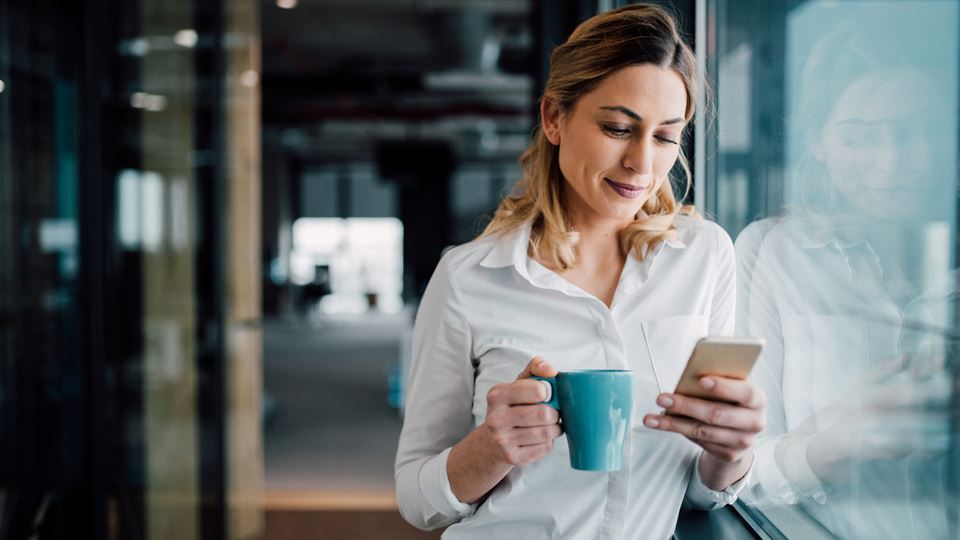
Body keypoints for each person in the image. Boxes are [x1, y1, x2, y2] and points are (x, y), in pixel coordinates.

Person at [395, 5, 766, 538]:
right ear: (553, 118)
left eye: (665, 137)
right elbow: (416, 499)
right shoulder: (468, 277)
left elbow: (700, 490)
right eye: (618, 128)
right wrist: (489, 450)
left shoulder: (704, 256)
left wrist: (732, 451)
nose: (642, 163)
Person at [734, 3, 959, 538]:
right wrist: (837, 441)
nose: (891, 166)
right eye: (859, 137)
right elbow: (735, 474)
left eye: (916, 132)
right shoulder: (772, 255)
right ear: (818, 141)